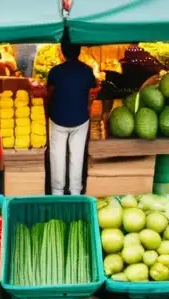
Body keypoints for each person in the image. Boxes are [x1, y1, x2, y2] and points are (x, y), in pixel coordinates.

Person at [46, 41, 96, 195]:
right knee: (77, 154)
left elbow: (49, 94)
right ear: (79, 51)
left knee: (57, 155)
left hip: (57, 118)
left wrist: (49, 110)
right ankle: (75, 191)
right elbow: (91, 95)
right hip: (80, 118)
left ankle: (57, 191)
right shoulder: (87, 71)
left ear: (62, 51)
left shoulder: (55, 71)